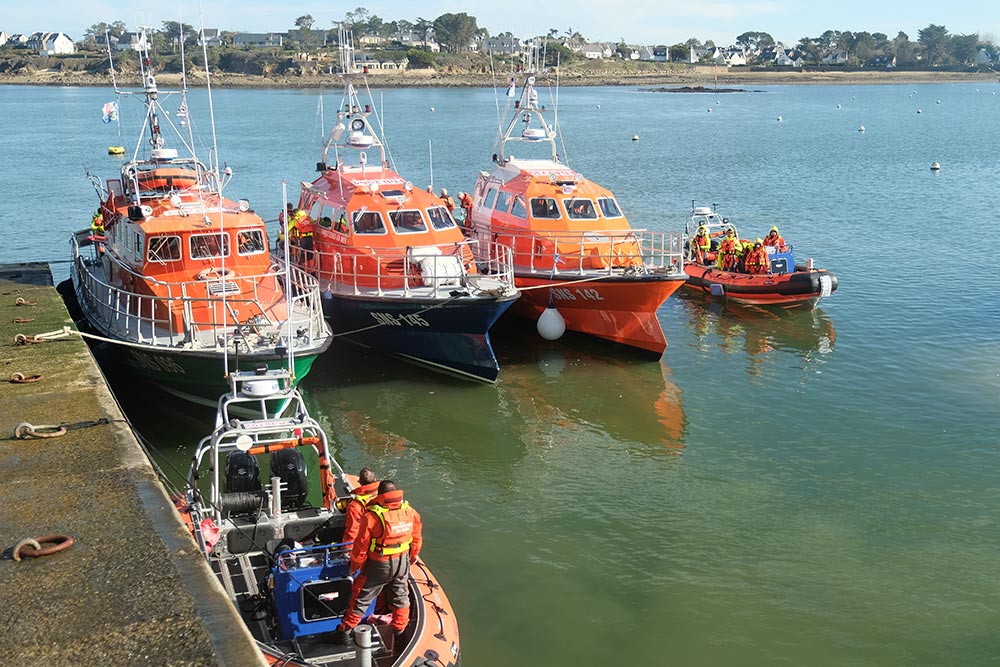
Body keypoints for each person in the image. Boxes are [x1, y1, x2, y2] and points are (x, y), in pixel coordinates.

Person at [335, 480, 422, 642]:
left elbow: (360, 546)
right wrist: (411, 557)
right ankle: (400, 631)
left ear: (381, 495)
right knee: (401, 596)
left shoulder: (372, 517)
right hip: (402, 561)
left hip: (378, 564)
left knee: (361, 597)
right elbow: (416, 539)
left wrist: (355, 566)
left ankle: (344, 632)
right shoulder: (410, 512)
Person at [338, 468, 380, 545]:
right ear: (376, 479)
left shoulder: (356, 505)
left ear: (360, 482)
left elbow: (353, 530)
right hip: (381, 540)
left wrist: (346, 549)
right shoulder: (384, 496)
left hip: (366, 543)